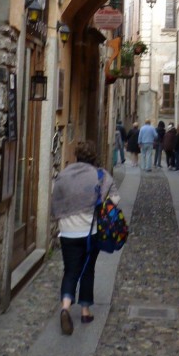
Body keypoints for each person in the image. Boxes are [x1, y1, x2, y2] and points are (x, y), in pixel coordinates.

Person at [50, 140, 118, 334]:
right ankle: (85, 311)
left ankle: (65, 307)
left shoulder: (64, 175)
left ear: (77, 156)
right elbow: (114, 200)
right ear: (94, 156)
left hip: (67, 231)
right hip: (90, 231)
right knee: (88, 270)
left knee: (70, 270)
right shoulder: (100, 175)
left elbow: (55, 201)